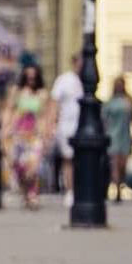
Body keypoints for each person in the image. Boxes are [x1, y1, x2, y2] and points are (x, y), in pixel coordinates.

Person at [2, 63, 47, 208]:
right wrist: (5, 128)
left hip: (34, 135)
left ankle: (33, 195)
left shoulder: (42, 94)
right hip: (18, 134)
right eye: (28, 78)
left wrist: (45, 133)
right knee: (19, 167)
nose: (30, 81)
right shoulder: (17, 92)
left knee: (33, 168)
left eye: (33, 78)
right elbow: (9, 110)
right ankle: (25, 193)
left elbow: (44, 116)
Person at [48, 53, 83, 202]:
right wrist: (52, 123)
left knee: (80, 159)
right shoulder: (65, 80)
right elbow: (54, 102)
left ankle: (78, 189)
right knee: (68, 158)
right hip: (66, 126)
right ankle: (70, 190)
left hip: (81, 126)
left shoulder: (86, 81)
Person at [103, 76, 132, 202]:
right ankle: (116, 189)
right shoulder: (110, 102)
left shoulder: (128, 101)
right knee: (115, 164)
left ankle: (120, 184)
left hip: (125, 136)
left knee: (123, 165)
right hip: (113, 135)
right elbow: (104, 119)